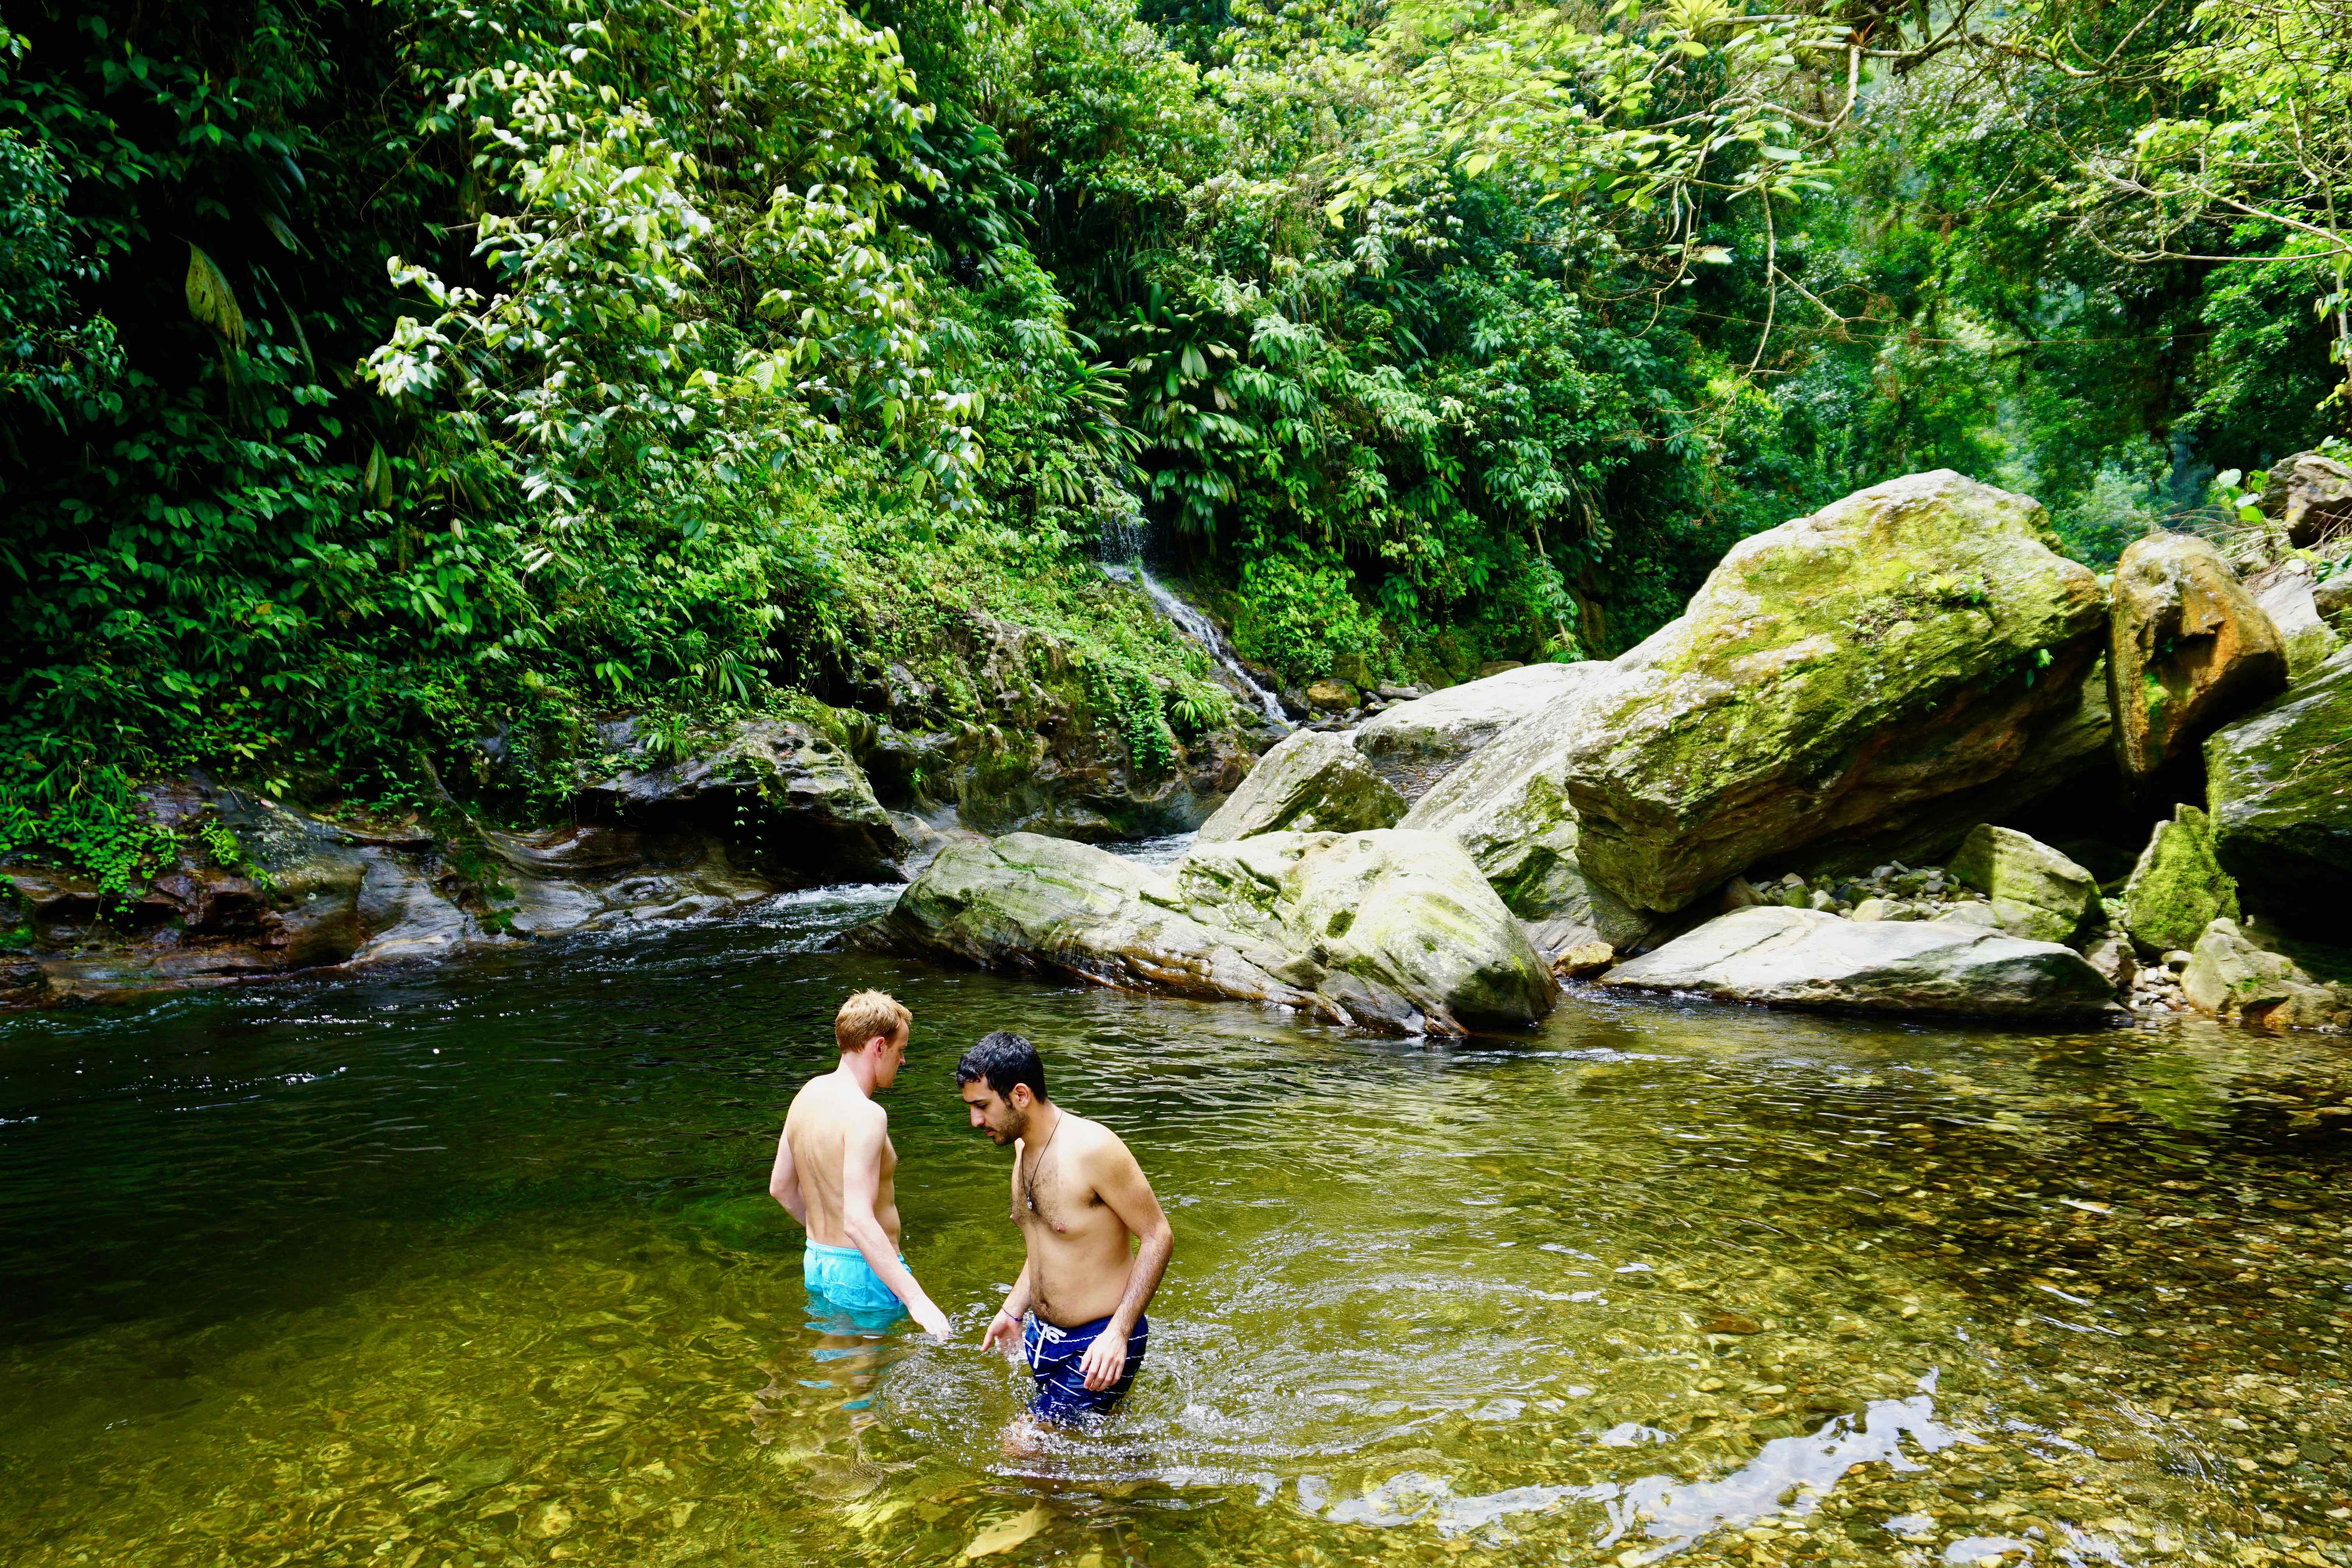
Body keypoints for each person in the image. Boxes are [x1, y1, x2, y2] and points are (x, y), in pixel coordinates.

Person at [959, 1031, 1173, 1426]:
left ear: (1020, 1095)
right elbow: (1046, 1243)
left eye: (982, 1106)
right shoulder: (1024, 1148)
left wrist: (1118, 1333)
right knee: (1075, 1457)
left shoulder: (1094, 1150)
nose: (975, 1120)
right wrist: (1013, 1309)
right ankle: (1135, 1481)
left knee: (1023, 1446)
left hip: (1098, 1342)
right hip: (1044, 1338)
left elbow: (1158, 1235)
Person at [769, 990, 952, 1337]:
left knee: (832, 1369)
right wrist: (917, 1300)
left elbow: (780, 1187)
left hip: (817, 1261)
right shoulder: (866, 1114)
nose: (903, 1062)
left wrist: (833, 1244)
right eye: (901, 1051)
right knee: (864, 1383)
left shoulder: (806, 1095)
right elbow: (857, 1219)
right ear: (879, 1047)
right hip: (865, 1272)